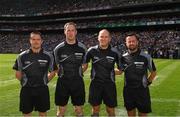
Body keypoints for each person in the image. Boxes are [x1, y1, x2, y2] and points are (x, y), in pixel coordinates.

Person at [13, 31, 57, 117]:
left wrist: (45, 81)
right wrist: (25, 82)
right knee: (26, 114)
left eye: (38, 39)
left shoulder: (48, 56)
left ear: (41, 41)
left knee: (43, 114)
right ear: (30, 40)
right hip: (26, 90)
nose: (36, 41)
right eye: (33, 39)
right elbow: (17, 74)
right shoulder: (21, 56)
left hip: (42, 89)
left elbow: (53, 71)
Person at [83, 29, 120, 116]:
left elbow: (120, 70)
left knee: (110, 110)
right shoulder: (91, 50)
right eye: (101, 36)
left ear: (109, 38)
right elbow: (84, 65)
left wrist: (109, 72)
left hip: (109, 85)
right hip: (95, 85)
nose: (103, 39)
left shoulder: (115, 52)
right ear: (98, 38)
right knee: (95, 110)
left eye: (106, 37)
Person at [53, 22, 87, 117]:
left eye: (72, 30)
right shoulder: (58, 49)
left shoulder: (82, 48)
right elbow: (55, 66)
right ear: (65, 32)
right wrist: (61, 73)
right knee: (61, 111)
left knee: (79, 110)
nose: (70, 32)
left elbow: (85, 65)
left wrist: (78, 73)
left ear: (76, 32)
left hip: (78, 82)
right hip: (63, 83)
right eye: (68, 30)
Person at [119, 33, 156, 116]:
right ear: (126, 43)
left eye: (133, 41)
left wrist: (147, 82)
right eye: (129, 41)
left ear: (137, 42)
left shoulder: (146, 57)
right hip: (128, 92)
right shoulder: (123, 57)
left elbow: (153, 72)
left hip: (142, 92)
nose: (131, 43)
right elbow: (120, 71)